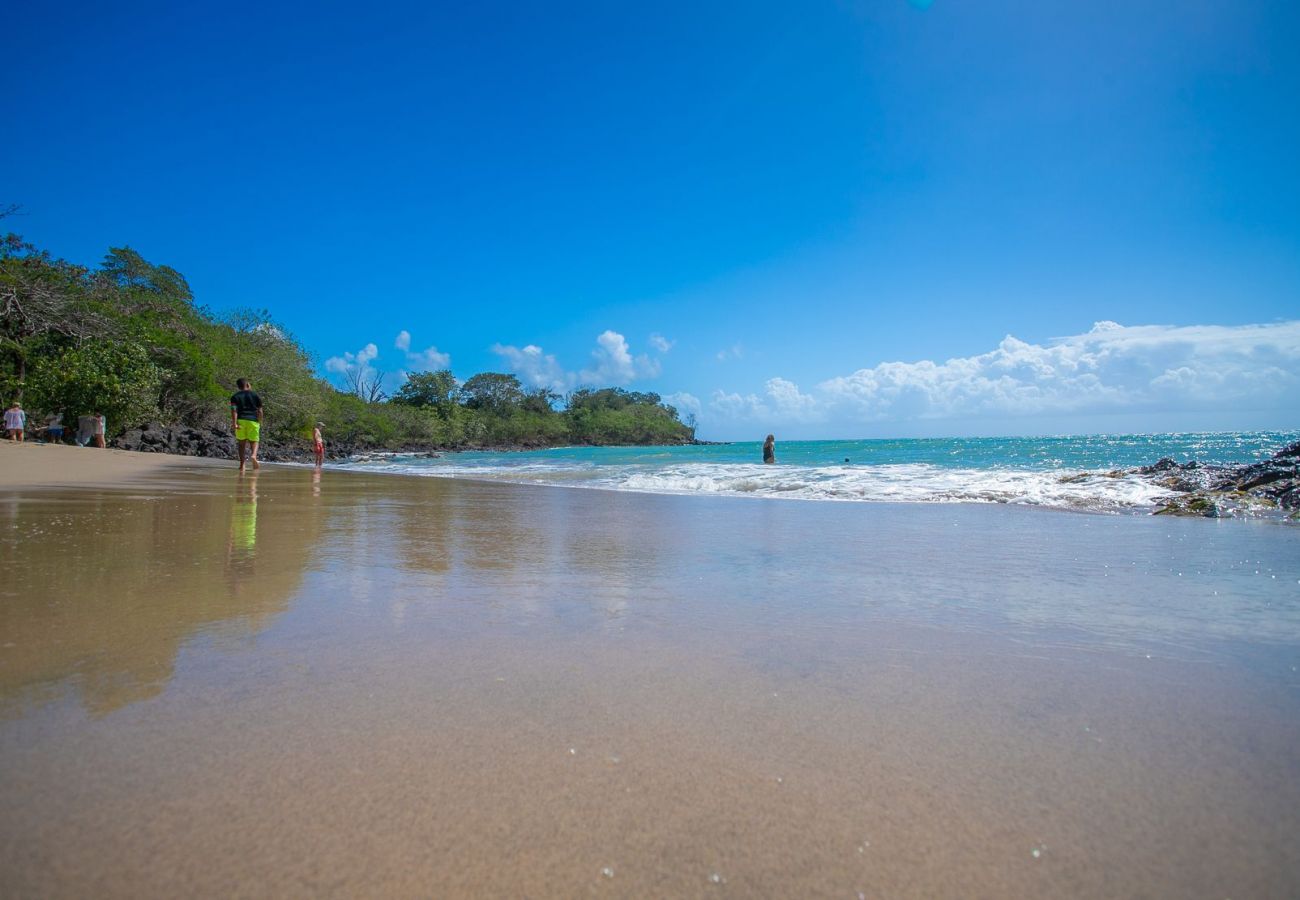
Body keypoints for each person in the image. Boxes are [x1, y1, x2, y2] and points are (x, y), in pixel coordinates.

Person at [230, 378, 263, 471]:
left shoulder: (235, 396)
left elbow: (234, 410)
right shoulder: (255, 395)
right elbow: (260, 411)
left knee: (241, 444)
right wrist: (259, 421)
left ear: (238, 386)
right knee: (254, 441)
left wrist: (234, 423)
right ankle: (253, 455)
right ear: (248, 385)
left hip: (241, 421)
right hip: (253, 421)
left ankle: (242, 465)